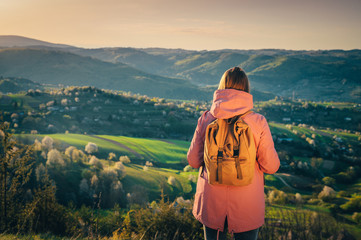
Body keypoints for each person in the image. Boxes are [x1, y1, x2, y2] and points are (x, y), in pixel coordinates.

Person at [187, 67, 280, 240]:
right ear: (246, 89)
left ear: (221, 87)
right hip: (247, 203)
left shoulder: (206, 119)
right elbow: (271, 166)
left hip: (212, 200)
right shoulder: (258, 121)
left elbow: (193, 160)